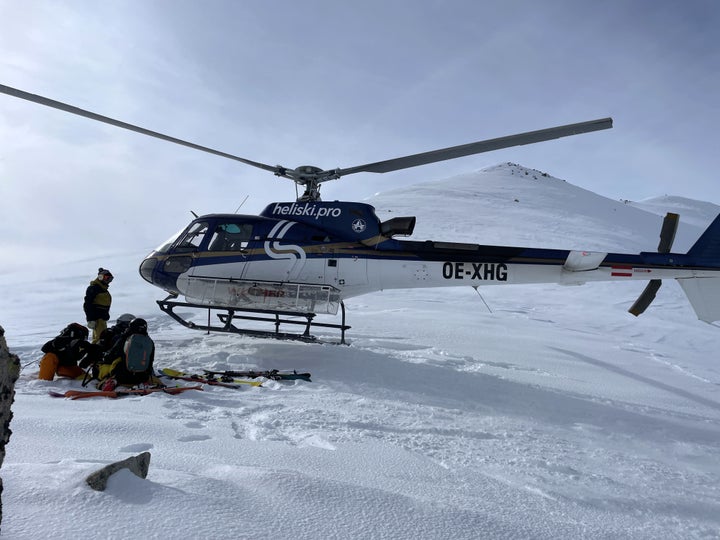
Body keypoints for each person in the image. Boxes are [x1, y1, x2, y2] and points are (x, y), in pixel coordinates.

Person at [96, 318, 157, 390]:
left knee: (114, 362)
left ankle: (113, 381)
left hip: (122, 375)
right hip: (143, 377)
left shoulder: (124, 338)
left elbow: (111, 355)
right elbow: (150, 361)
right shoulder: (149, 342)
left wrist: (104, 359)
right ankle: (144, 383)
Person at [84, 267, 113, 343]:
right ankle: (95, 353)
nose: (108, 281)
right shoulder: (94, 288)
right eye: (106, 278)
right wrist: (90, 319)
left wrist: (106, 315)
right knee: (100, 339)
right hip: (97, 319)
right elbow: (87, 304)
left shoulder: (103, 290)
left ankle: (96, 352)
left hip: (102, 319)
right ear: (100, 277)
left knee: (101, 337)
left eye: (110, 279)